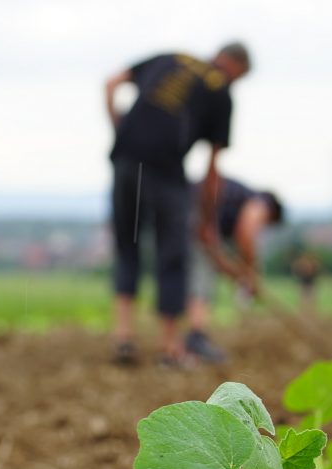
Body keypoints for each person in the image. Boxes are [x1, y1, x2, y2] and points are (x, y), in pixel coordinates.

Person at [104, 43, 251, 365]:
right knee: (172, 253)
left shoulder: (171, 57)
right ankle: (169, 347)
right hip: (166, 170)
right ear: (236, 66)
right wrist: (207, 222)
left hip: (126, 159)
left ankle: (124, 336)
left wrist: (119, 131)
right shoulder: (220, 90)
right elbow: (213, 169)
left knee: (127, 244)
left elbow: (111, 83)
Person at [186, 177, 285, 363]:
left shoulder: (236, 204)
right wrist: (251, 273)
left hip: (185, 209)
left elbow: (218, 257)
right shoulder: (261, 203)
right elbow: (246, 233)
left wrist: (242, 277)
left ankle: (182, 339)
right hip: (193, 212)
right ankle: (195, 337)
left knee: (192, 275)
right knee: (201, 277)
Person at [291, 250, 321, 316]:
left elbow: (316, 272)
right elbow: (297, 272)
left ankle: (311, 311)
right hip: (304, 283)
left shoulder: (312, 265)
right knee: (303, 298)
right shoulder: (301, 265)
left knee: (311, 298)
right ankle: (303, 311)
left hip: (310, 283)